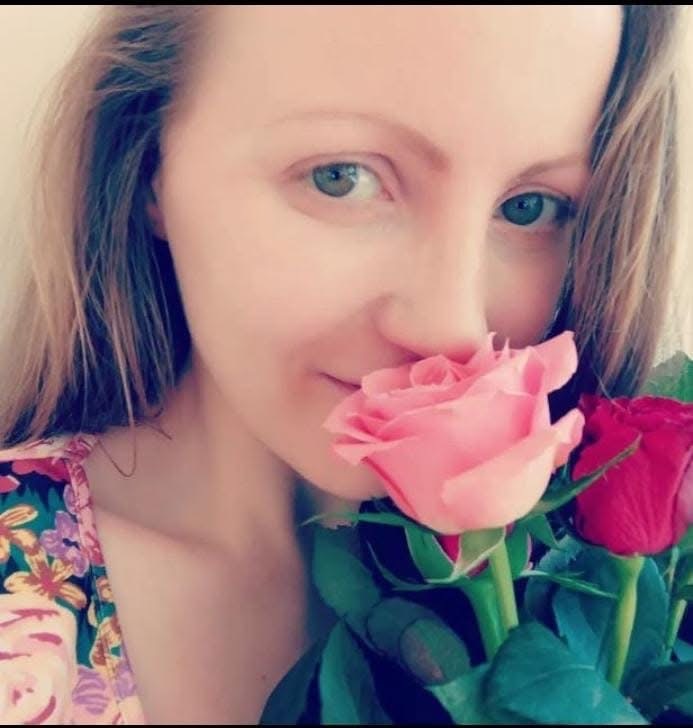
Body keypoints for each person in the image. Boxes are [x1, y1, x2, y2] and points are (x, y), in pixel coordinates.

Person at [0, 5, 687, 724]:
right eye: (341, 177)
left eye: (528, 208)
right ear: (149, 166)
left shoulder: (621, 607)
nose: (451, 329)